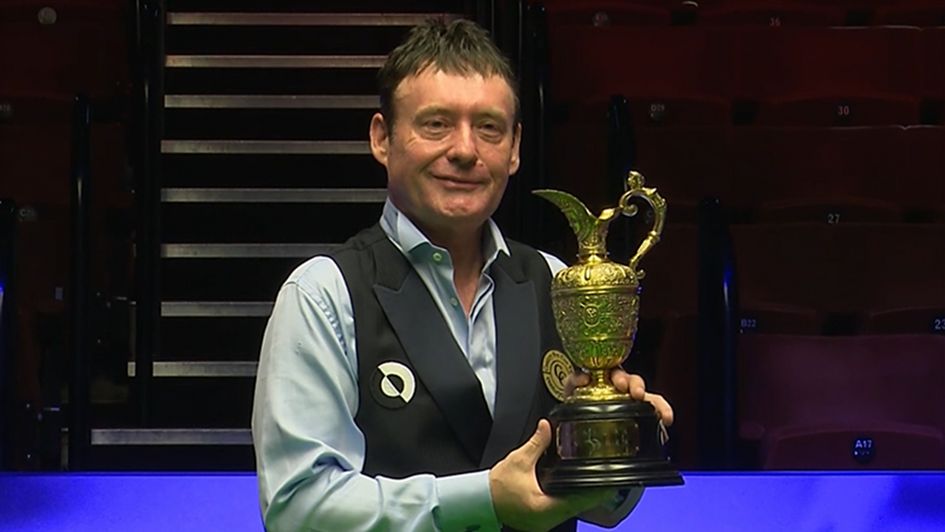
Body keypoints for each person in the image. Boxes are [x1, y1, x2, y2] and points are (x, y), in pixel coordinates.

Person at [251, 18, 673, 531]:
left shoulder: (559, 283)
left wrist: (617, 444)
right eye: (436, 124)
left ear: (515, 148)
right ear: (382, 139)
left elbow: (603, 509)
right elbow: (299, 511)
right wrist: (486, 498)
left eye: (489, 127)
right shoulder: (325, 294)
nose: (466, 150)